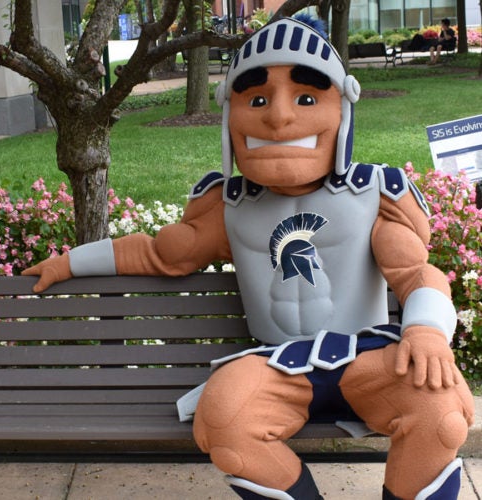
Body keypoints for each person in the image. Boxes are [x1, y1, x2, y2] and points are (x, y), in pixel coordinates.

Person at [23, 16, 473, 499]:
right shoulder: (231, 206)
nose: (278, 117)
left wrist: (425, 330)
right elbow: (161, 255)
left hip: (366, 359)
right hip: (276, 364)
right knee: (227, 421)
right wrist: (70, 262)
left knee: (440, 413)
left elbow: (414, 272)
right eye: (256, 100)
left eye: (305, 98)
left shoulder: (367, 197)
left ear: (341, 108)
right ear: (231, 115)